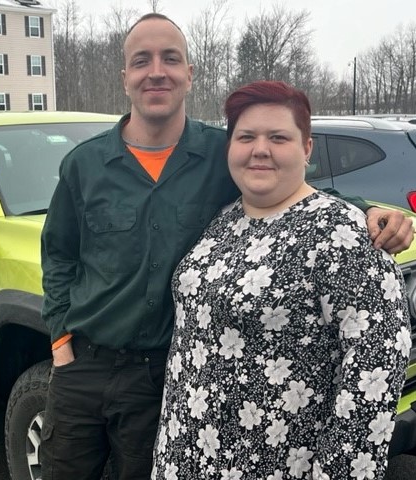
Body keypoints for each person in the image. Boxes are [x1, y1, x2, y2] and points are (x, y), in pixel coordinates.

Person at [40, 13, 413, 480]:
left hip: (158, 377)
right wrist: (60, 342)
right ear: (125, 78)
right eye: (142, 61)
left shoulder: (224, 153)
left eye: (170, 59)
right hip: (85, 366)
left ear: (190, 74)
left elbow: (287, 188)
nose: (157, 71)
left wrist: (366, 213)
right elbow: (58, 254)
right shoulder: (84, 164)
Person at [151, 80, 411, 480]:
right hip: (186, 455)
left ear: (306, 148)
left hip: (273, 464)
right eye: (246, 136)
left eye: (278, 137)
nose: (260, 149)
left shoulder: (340, 233)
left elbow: (374, 368)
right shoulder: (225, 219)